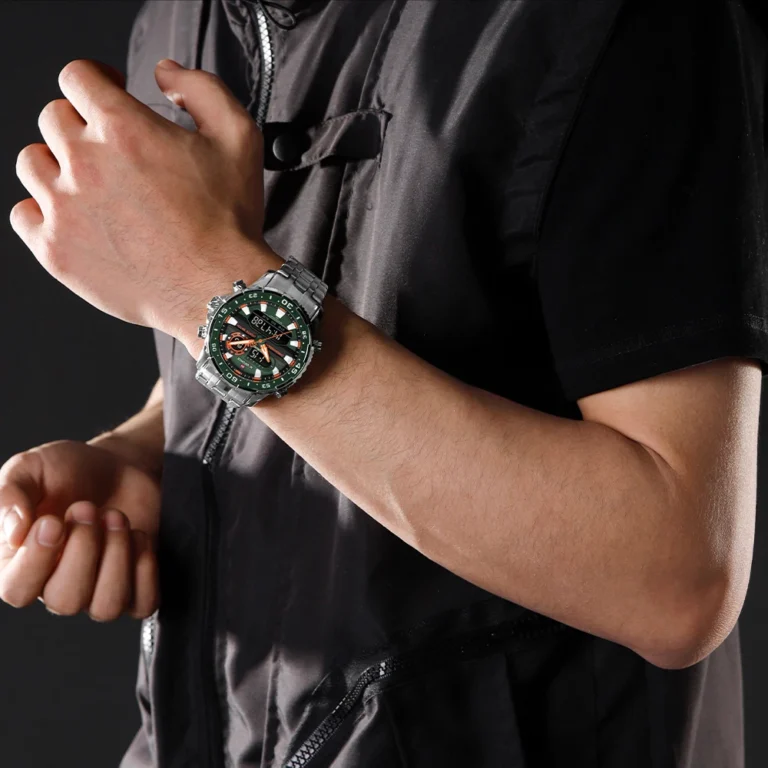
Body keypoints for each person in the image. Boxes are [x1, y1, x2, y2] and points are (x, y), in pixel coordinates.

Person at [2, 0, 767, 765]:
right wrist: (147, 456)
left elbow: (677, 579)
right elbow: (230, 352)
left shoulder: (615, 21)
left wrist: (205, 286)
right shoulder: (177, 21)